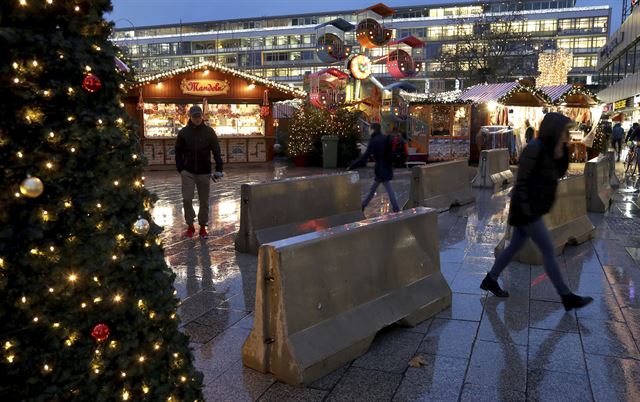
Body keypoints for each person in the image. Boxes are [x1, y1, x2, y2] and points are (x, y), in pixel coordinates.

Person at [480, 112, 593, 312]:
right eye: (565, 131)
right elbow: (522, 181)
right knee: (548, 250)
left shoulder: (552, 150)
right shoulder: (534, 148)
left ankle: (490, 279)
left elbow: (558, 173)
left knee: (513, 247)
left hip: (534, 207)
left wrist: (563, 151)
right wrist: (527, 211)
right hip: (527, 209)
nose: (568, 134)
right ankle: (566, 297)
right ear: (555, 130)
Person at [175, 105, 224, 238]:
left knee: (204, 201)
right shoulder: (184, 132)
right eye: (194, 116)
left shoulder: (209, 132)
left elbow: (216, 150)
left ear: (202, 116)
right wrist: (180, 168)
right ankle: (190, 225)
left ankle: (203, 226)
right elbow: (178, 151)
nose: (197, 118)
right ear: (190, 117)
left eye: (199, 116)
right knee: (186, 199)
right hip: (188, 172)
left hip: (204, 172)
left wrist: (219, 168)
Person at [348, 123, 400, 213]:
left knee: (387, 188)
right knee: (373, 188)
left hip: (381, 168)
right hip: (386, 166)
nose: (368, 131)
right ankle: (364, 205)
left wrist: (352, 165)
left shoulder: (374, 140)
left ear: (373, 130)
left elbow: (365, 156)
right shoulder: (384, 138)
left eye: (369, 129)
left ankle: (396, 208)